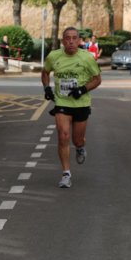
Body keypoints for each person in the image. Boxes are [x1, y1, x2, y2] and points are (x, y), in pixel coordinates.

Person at [41, 27, 102, 188]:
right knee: (63, 136)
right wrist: (47, 88)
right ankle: (66, 174)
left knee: (77, 139)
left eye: (75, 38)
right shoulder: (54, 57)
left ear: (79, 41)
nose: (71, 41)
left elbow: (97, 79)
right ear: (63, 41)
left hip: (81, 103)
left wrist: (82, 89)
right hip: (62, 103)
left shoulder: (87, 58)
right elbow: (45, 72)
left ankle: (80, 147)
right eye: (68, 38)